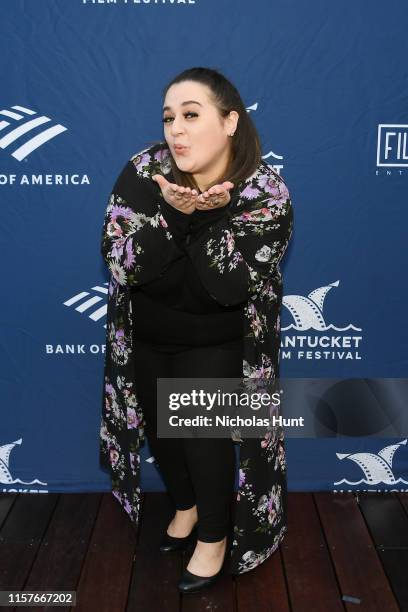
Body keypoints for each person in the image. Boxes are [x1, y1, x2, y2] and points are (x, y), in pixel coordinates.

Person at [99, 66, 294, 593]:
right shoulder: (145, 172)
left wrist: (206, 219)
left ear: (230, 122)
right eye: (168, 118)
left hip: (219, 340)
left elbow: (229, 287)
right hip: (149, 335)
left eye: (191, 115)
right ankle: (184, 507)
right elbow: (121, 262)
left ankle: (214, 536)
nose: (175, 131)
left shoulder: (265, 192)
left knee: (201, 436)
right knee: (161, 436)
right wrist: (173, 215)